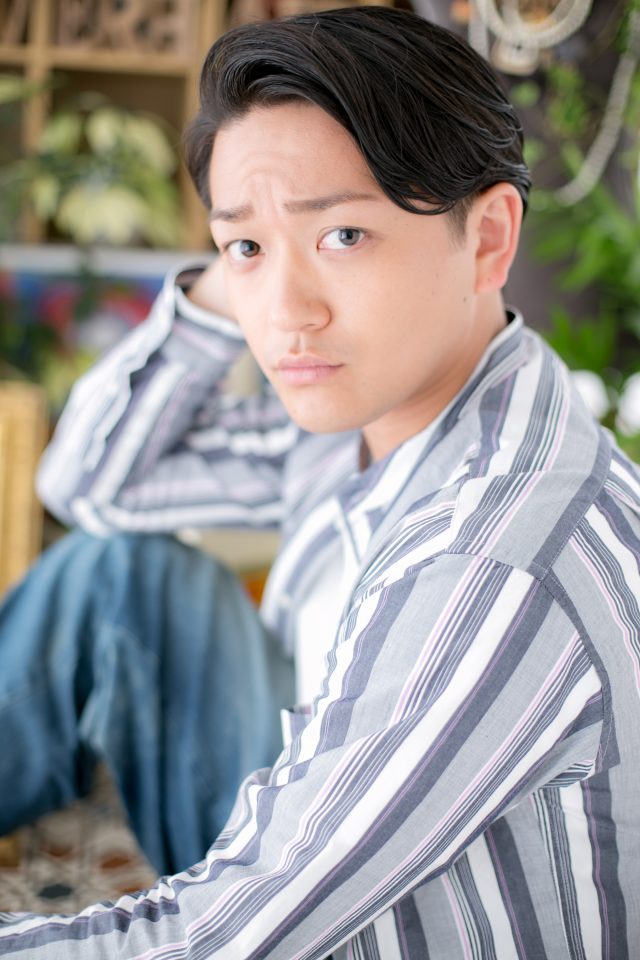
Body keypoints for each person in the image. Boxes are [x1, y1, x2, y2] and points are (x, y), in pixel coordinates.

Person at [0, 5, 639, 957]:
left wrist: (262, 230)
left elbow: (213, 939)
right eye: (246, 253)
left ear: (488, 239)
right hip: (312, 795)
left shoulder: (495, 562)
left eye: (343, 235)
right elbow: (91, 482)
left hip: (340, 927)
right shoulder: (367, 417)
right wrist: (253, 244)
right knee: (117, 571)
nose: (287, 313)